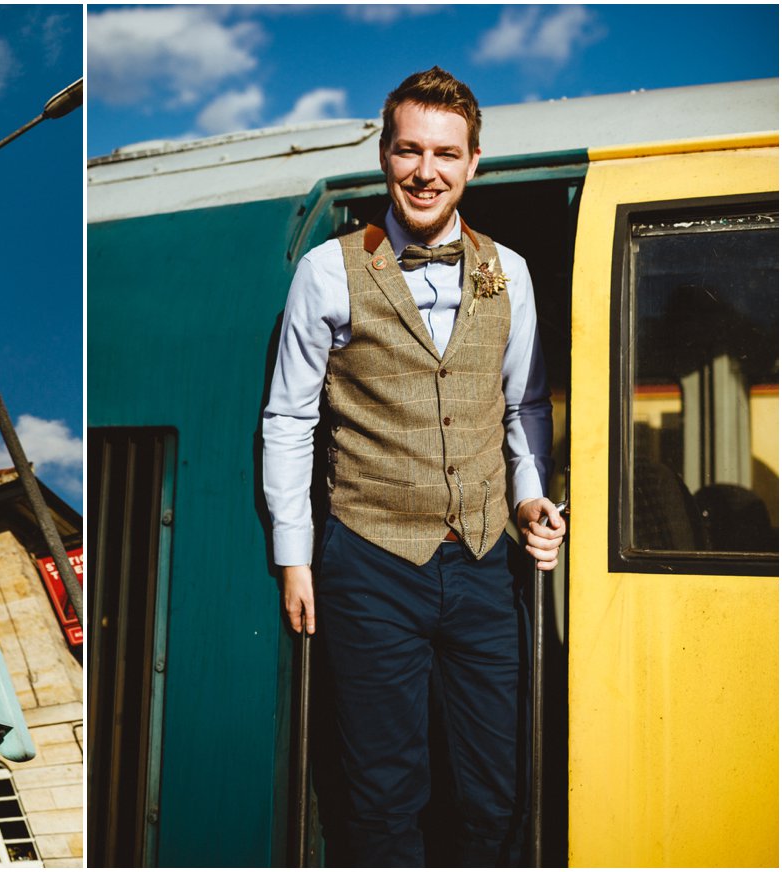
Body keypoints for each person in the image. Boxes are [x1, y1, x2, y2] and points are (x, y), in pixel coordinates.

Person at [260, 67, 567, 867]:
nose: (424, 170)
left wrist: (530, 501)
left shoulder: (514, 273)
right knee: (380, 792)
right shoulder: (327, 271)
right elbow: (289, 418)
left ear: (473, 164)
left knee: (494, 788)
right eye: (408, 150)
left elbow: (523, 406)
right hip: (369, 561)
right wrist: (294, 557)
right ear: (385, 154)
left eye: (445, 153)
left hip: (484, 564)